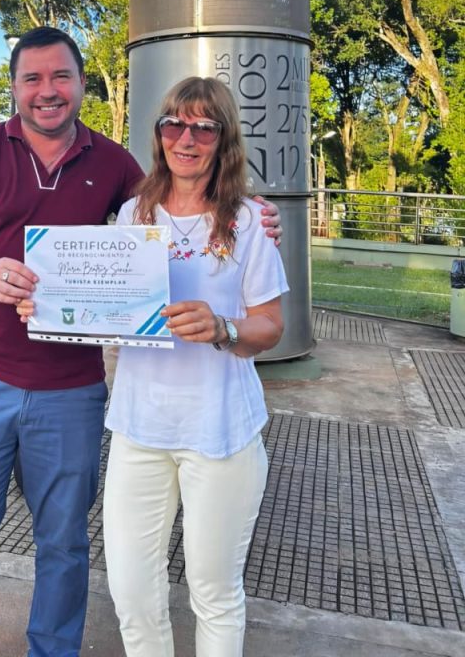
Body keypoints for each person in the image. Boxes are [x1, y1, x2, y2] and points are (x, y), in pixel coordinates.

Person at [0, 27, 282, 657]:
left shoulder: (117, 170)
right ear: (14, 87)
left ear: (82, 84)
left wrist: (252, 212)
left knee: (64, 544)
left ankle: (53, 651)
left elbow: (182, 207)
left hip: (72, 390)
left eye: (60, 76)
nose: (47, 91)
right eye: (32, 78)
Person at [102, 77, 288, 657]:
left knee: (214, 593)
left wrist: (223, 328)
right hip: (139, 428)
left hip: (220, 431)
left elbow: (270, 326)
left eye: (204, 127)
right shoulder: (134, 212)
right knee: (132, 591)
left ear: (223, 138)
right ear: (159, 133)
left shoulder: (247, 219)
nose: (186, 139)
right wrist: (53, 304)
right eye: (174, 124)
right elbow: (111, 305)